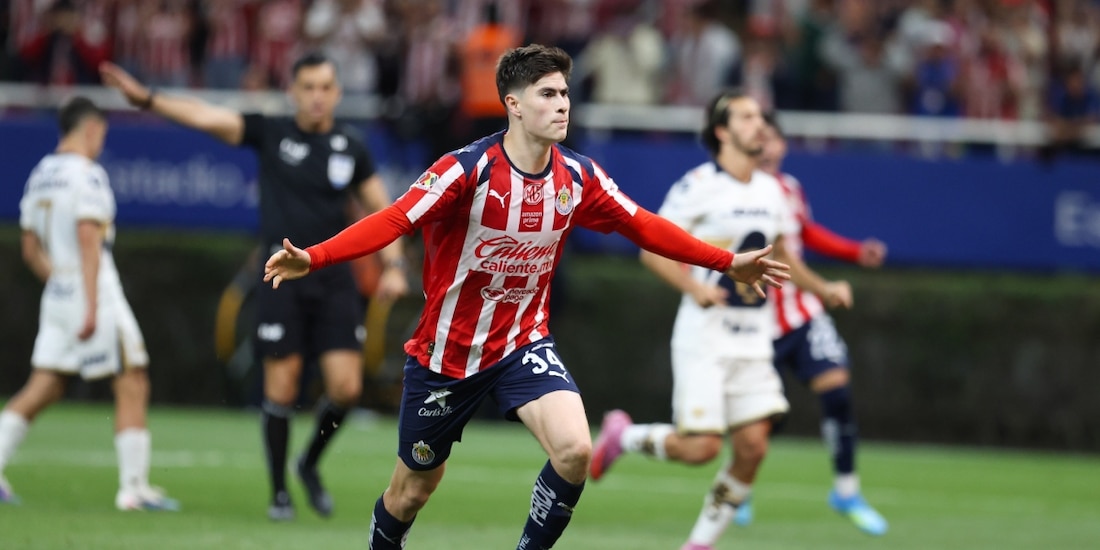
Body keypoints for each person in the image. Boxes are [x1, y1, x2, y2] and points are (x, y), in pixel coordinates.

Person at [262, 44, 790, 550]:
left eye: (564, 93)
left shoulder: (579, 176)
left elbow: (644, 225)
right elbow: (395, 218)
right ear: (512, 104)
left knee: (575, 449)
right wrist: (316, 256)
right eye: (546, 94)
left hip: (522, 344)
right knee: (411, 492)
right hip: (447, 355)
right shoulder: (465, 170)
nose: (561, 104)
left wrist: (727, 262)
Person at [99, 52, 410, 521]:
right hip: (281, 276)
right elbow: (207, 116)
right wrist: (147, 99)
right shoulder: (272, 132)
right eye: (308, 86)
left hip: (332, 281)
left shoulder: (352, 145)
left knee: (346, 389)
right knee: (281, 388)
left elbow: (383, 212)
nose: (317, 96)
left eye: (325, 86)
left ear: (338, 93)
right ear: (293, 92)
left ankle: (308, 463)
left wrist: (393, 265)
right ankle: (279, 490)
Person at [588, 89, 853, 550]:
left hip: (754, 340)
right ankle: (623, 435)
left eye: (761, 117)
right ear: (722, 131)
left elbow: (787, 254)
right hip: (705, 336)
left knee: (753, 448)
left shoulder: (774, 190)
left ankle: (698, 544)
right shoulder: (697, 186)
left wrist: (822, 287)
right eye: (747, 117)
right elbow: (652, 249)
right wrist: (695, 288)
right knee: (702, 449)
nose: (760, 125)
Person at [0, 97, 179, 512]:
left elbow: (29, 248)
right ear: (92, 129)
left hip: (59, 292)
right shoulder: (89, 176)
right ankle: (133, 489)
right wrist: (91, 304)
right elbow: (88, 238)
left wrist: (60, 283)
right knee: (132, 377)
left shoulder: (41, 174)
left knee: (44, 385)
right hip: (93, 291)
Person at [730, 112, 888, 535]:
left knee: (836, 389)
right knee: (764, 417)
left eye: (774, 136)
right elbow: (779, 254)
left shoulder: (790, 189)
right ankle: (739, 489)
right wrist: (826, 286)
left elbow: (804, 235)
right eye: (760, 136)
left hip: (801, 312)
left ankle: (847, 490)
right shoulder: (736, 190)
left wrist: (855, 252)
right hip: (756, 319)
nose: (768, 144)